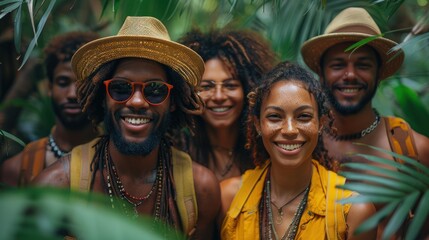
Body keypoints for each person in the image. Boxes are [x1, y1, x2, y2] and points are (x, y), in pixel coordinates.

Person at [32, 16, 220, 239]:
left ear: (172, 102)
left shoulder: (200, 191)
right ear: (103, 98)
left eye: (155, 90)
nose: (137, 102)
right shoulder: (56, 188)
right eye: (121, 88)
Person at [300, 7, 429, 238]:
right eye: (338, 65)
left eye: (363, 65)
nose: (350, 75)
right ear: (321, 72)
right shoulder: (301, 142)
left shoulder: (413, 150)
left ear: (379, 72)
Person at [220, 62, 376, 239]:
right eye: (274, 117)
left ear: (321, 123)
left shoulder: (353, 210)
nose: (289, 130)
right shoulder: (230, 198)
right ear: (258, 125)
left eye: (303, 116)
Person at [0, 32, 100, 187]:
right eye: (63, 82)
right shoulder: (17, 168)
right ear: (49, 87)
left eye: (82, 84)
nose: (73, 94)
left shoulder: (120, 165)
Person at [176, 29, 277, 181]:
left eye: (230, 86)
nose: (219, 96)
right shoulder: (178, 150)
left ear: (250, 90)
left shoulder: (266, 149)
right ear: (188, 93)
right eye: (207, 87)